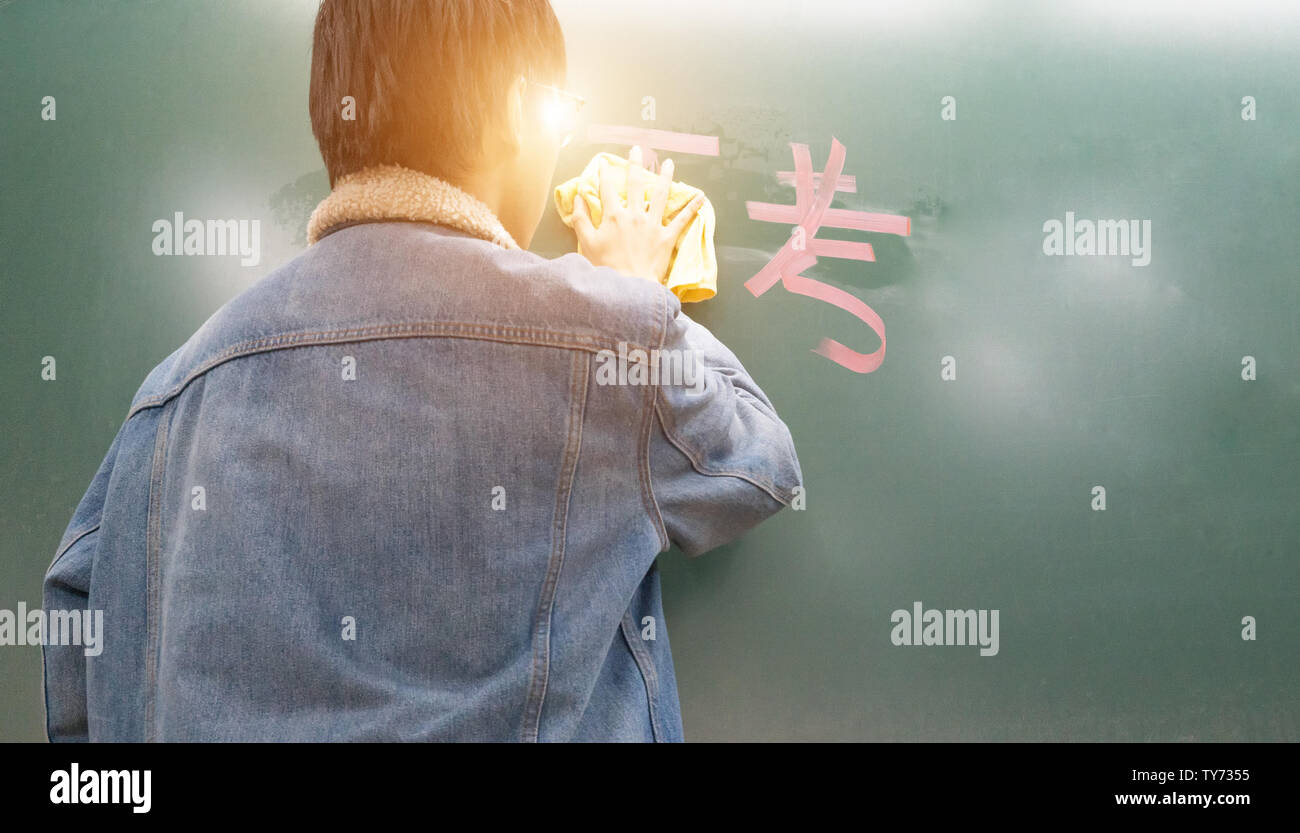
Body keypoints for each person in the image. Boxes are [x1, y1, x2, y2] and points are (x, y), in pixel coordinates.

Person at [43, 0, 801, 742]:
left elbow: (78, 615)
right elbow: (758, 466)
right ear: (518, 110)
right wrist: (639, 291)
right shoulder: (604, 338)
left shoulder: (173, 394)